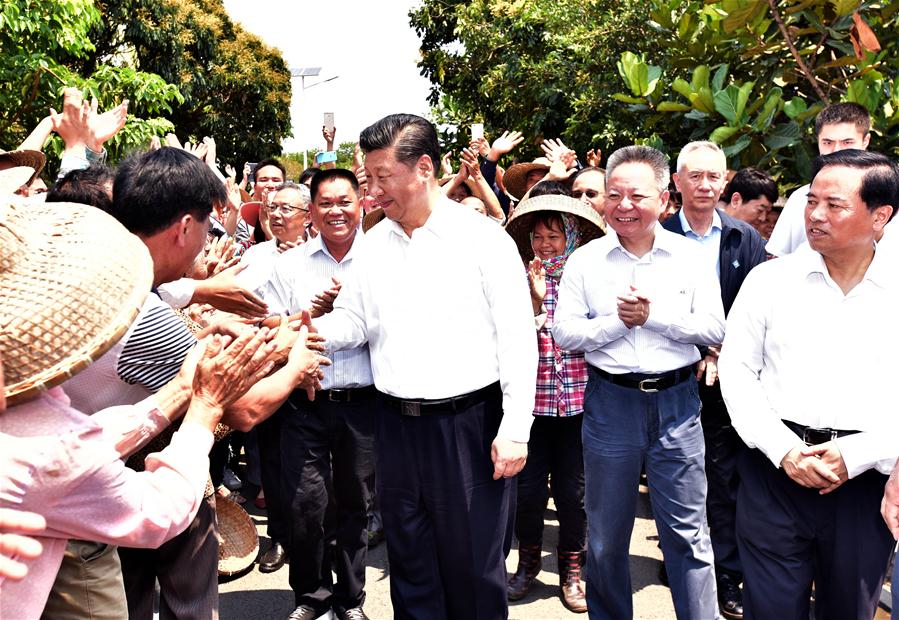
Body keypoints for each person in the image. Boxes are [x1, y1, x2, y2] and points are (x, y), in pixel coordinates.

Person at [56, 147, 327, 620]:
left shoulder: (102, 279)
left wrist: (203, 312)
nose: (207, 241)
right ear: (185, 226)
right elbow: (238, 409)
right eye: (206, 226)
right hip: (122, 486)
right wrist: (294, 362)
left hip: (91, 484)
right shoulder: (148, 317)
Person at [0, 199, 276, 619]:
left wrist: (183, 388)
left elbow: (90, 441)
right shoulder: (46, 442)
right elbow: (155, 512)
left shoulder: (40, 420)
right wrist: (203, 408)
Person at [313, 113, 537, 620]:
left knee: (474, 571)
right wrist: (303, 331)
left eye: (381, 178)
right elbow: (353, 321)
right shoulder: (374, 246)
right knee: (410, 565)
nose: (372, 192)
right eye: (367, 179)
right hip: (394, 428)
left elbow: (519, 341)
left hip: (468, 429)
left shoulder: (483, 240)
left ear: (424, 168)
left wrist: (516, 427)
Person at [719, 149, 899, 620]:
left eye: (834, 204)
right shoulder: (770, 280)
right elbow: (738, 373)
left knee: (848, 609)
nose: (815, 215)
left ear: (881, 216)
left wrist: (858, 455)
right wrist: (784, 450)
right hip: (774, 473)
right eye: (810, 200)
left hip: (864, 485)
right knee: (772, 609)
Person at [553, 145, 724, 620]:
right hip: (611, 404)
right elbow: (565, 333)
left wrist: (656, 318)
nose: (624, 205)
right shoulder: (584, 261)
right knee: (606, 537)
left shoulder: (690, 258)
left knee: (688, 535)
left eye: (637, 195)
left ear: (664, 199)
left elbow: (714, 328)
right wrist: (617, 323)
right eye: (615, 195)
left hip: (678, 403)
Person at [261, 168, 375, 620]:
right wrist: (301, 329)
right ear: (311, 211)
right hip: (304, 403)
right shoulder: (290, 265)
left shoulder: (380, 258)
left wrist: (319, 329)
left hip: (364, 403)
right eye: (325, 203)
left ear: (361, 202)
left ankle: (350, 599)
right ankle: (311, 596)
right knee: (305, 505)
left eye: (344, 201)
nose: (335, 211)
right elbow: (270, 326)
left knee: (356, 505)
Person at [665, 141, 768, 619]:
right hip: (670, 375)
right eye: (695, 176)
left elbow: (759, 308)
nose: (706, 185)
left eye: (714, 177)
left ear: (726, 182)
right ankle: (682, 559)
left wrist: (723, 351)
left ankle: (726, 572)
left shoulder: (744, 238)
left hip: (727, 380)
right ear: (678, 181)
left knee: (723, 479)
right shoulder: (656, 233)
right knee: (677, 476)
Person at [503, 194, 605, 613]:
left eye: (555, 236)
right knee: (527, 493)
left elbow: (596, 333)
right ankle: (526, 565)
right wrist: (532, 298)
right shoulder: (515, 279)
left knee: (573, 495)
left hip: (579, 405)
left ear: (572, 238)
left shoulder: (588, 279)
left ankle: (572, 573)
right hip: (532, 405)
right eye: (539, 237)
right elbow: (509, 339)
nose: (545, 245)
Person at [766, 102, 870, 256]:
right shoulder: (799, 199)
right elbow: (775, 260)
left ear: (865, 141)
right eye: (828, 142)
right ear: (818, 142)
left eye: (847, 142)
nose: (836, 151)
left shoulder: (888, 199)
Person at [721, 167, 778, 237]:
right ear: (736, 200)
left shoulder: (755, 243)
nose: (763, 218)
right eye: (760, 210)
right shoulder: (708, 229)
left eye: (767, 212)